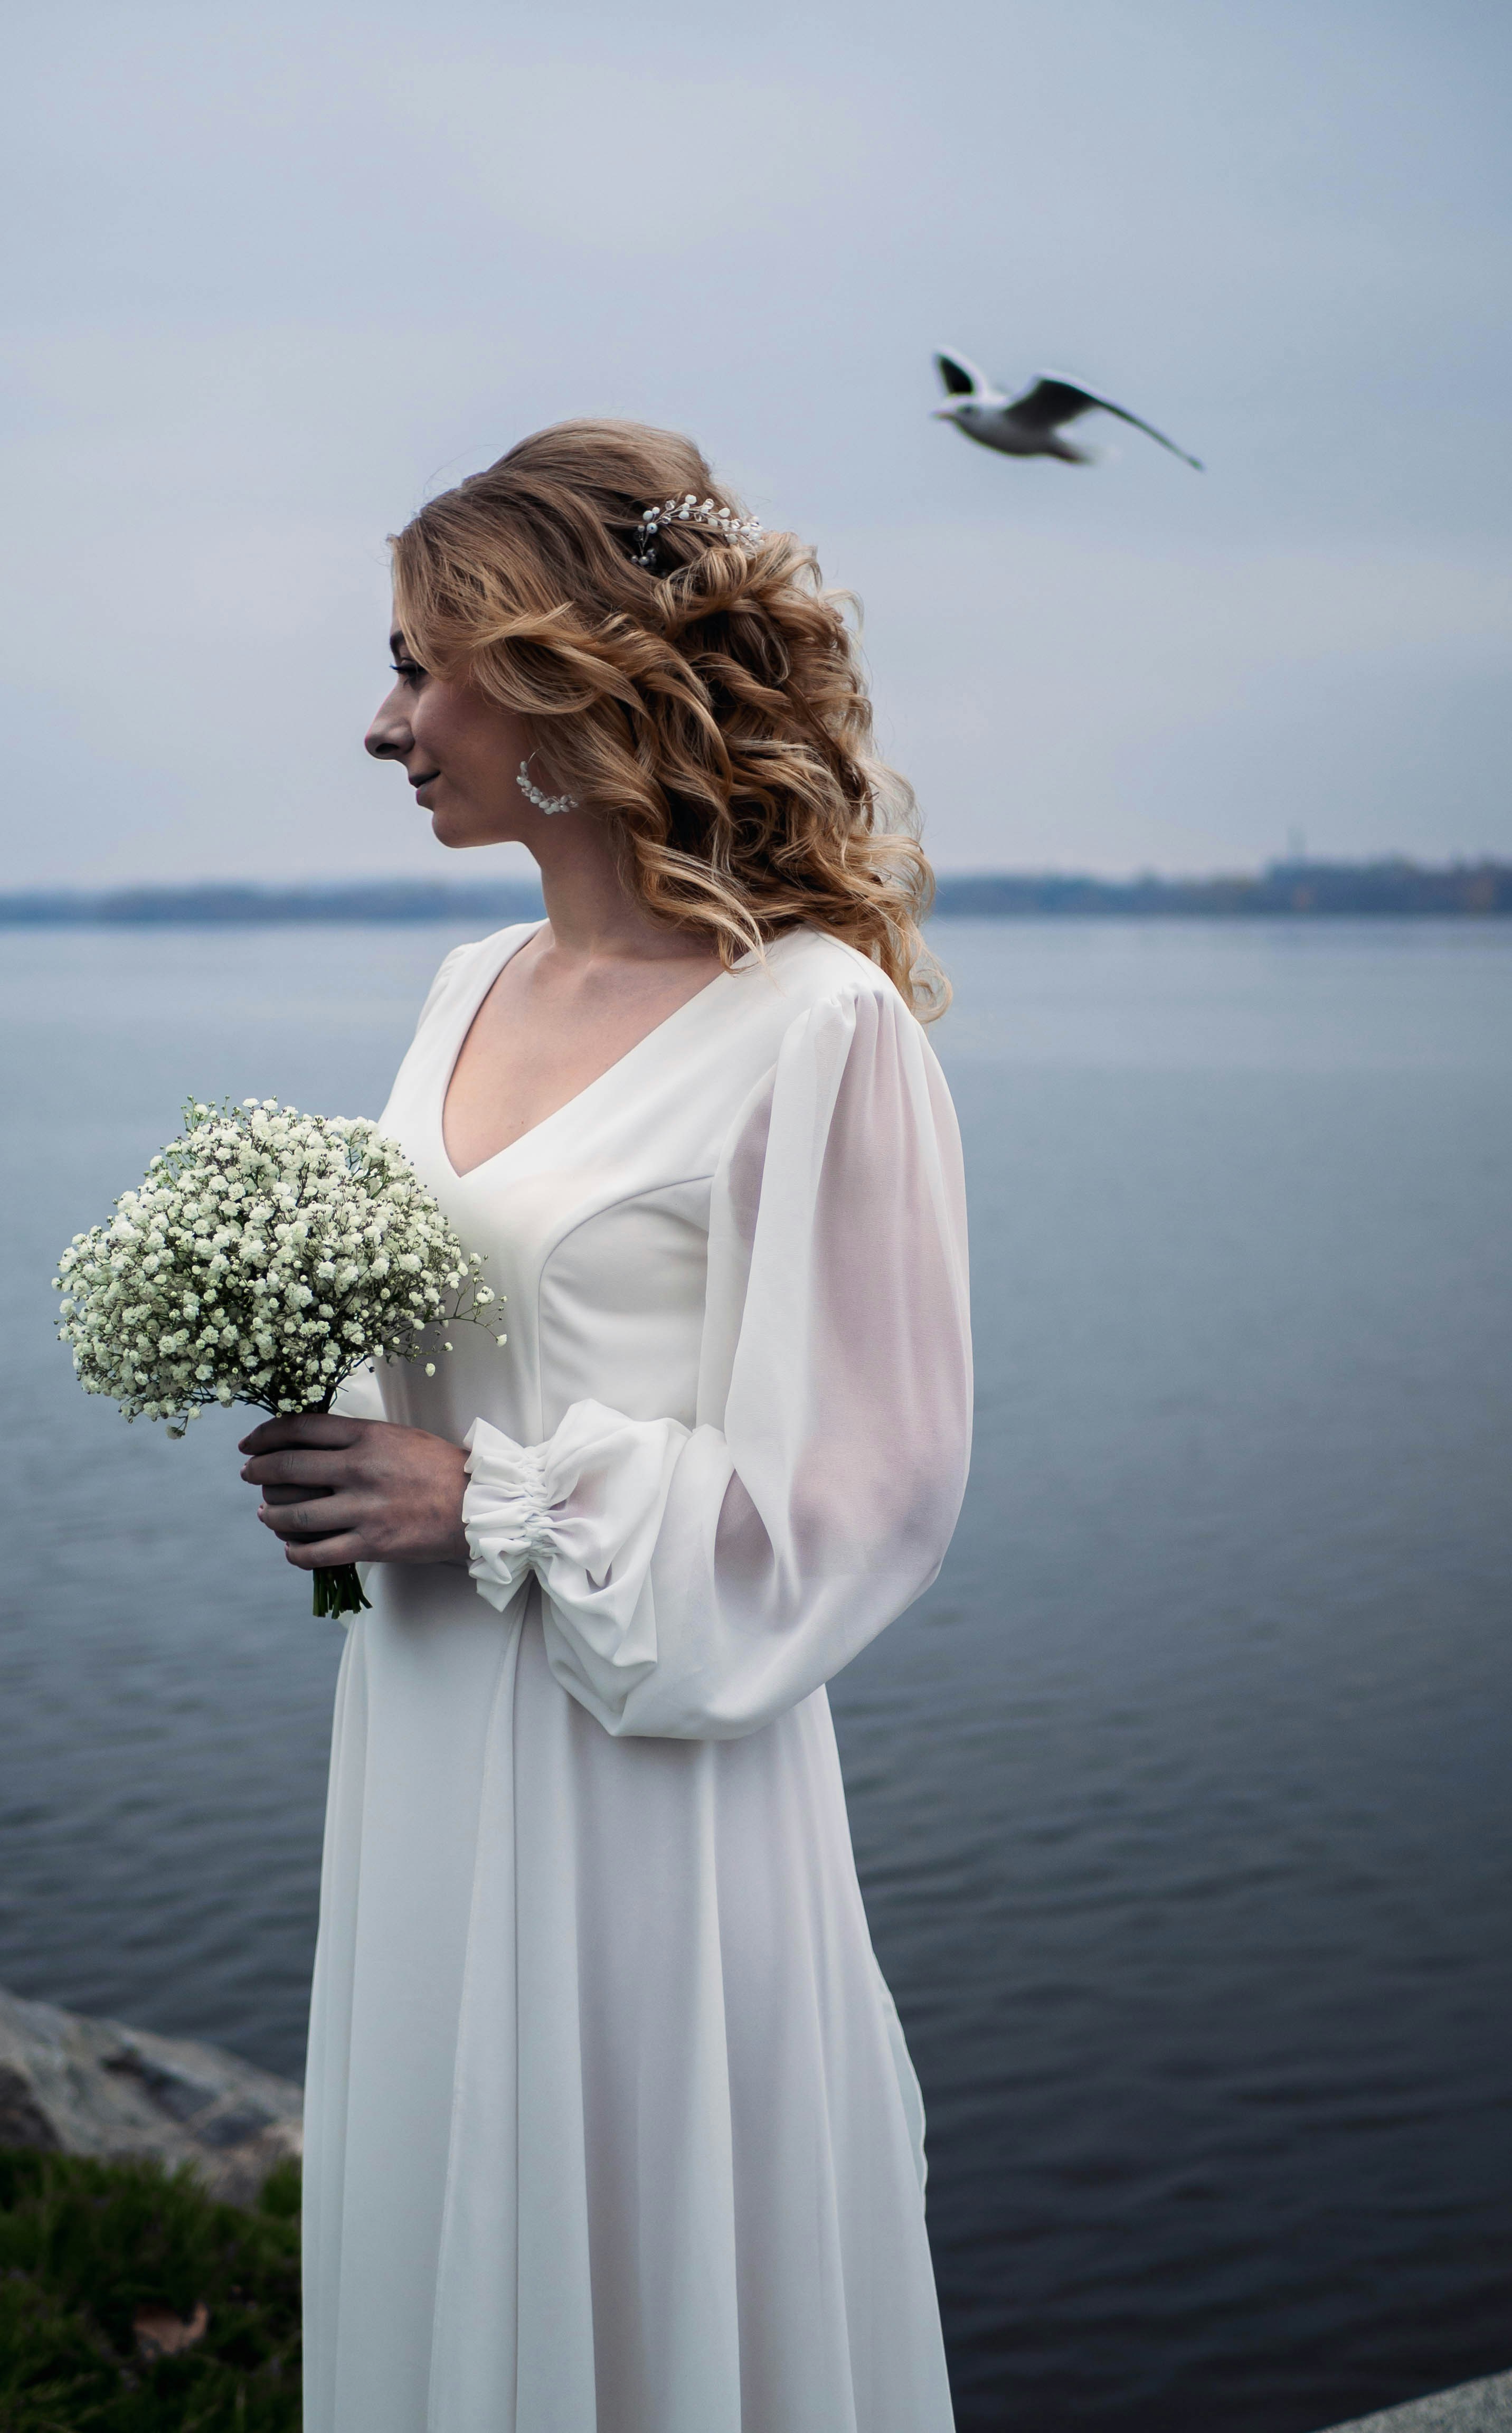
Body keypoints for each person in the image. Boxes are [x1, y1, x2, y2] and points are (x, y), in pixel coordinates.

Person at [238, 419, 972, 2433]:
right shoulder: (467, 981)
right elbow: (457, 1335)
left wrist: (478, 1497)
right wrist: (331, 1420)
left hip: (648, 1777)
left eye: (417, 665)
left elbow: (865, 1501)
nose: (385, 724)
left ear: (564, 669)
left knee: (645, 2257)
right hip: (425, 1744)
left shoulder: (817, 1024)